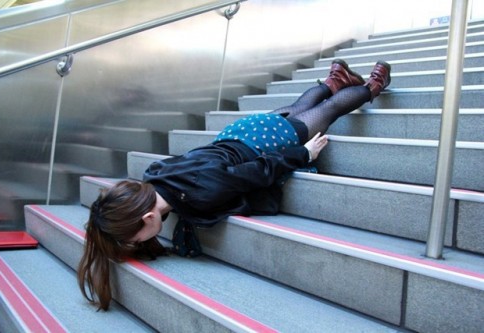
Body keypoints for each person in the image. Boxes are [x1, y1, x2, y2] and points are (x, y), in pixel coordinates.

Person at [77, 59, 391, 310]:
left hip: (263, 144)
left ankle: (373, 86)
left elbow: (258, 171)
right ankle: (335, 79)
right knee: (297, 111)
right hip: (239, 133)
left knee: (325, 112)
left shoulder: (202, 192)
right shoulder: (154, 176)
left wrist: (302, 153)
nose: (136, 244)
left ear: (148, 217)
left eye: (133, 240)